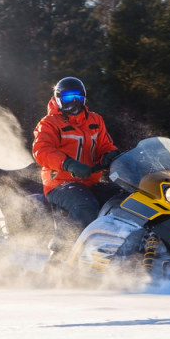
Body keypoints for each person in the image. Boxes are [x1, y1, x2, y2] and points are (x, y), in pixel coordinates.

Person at [32, 77, 121, 256]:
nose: (73, 102)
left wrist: (110, 156)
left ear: (84, 98)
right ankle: (59, 252)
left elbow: (106, 145)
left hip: (90, 183)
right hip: (59, 184)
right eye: (67, 97)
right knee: (86, 206)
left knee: (124, 199)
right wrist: (68, 164)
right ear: (57, 99)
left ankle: (119, 250)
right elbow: (42, 151)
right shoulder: (49, 123)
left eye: (78, 97)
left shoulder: (95, 120)